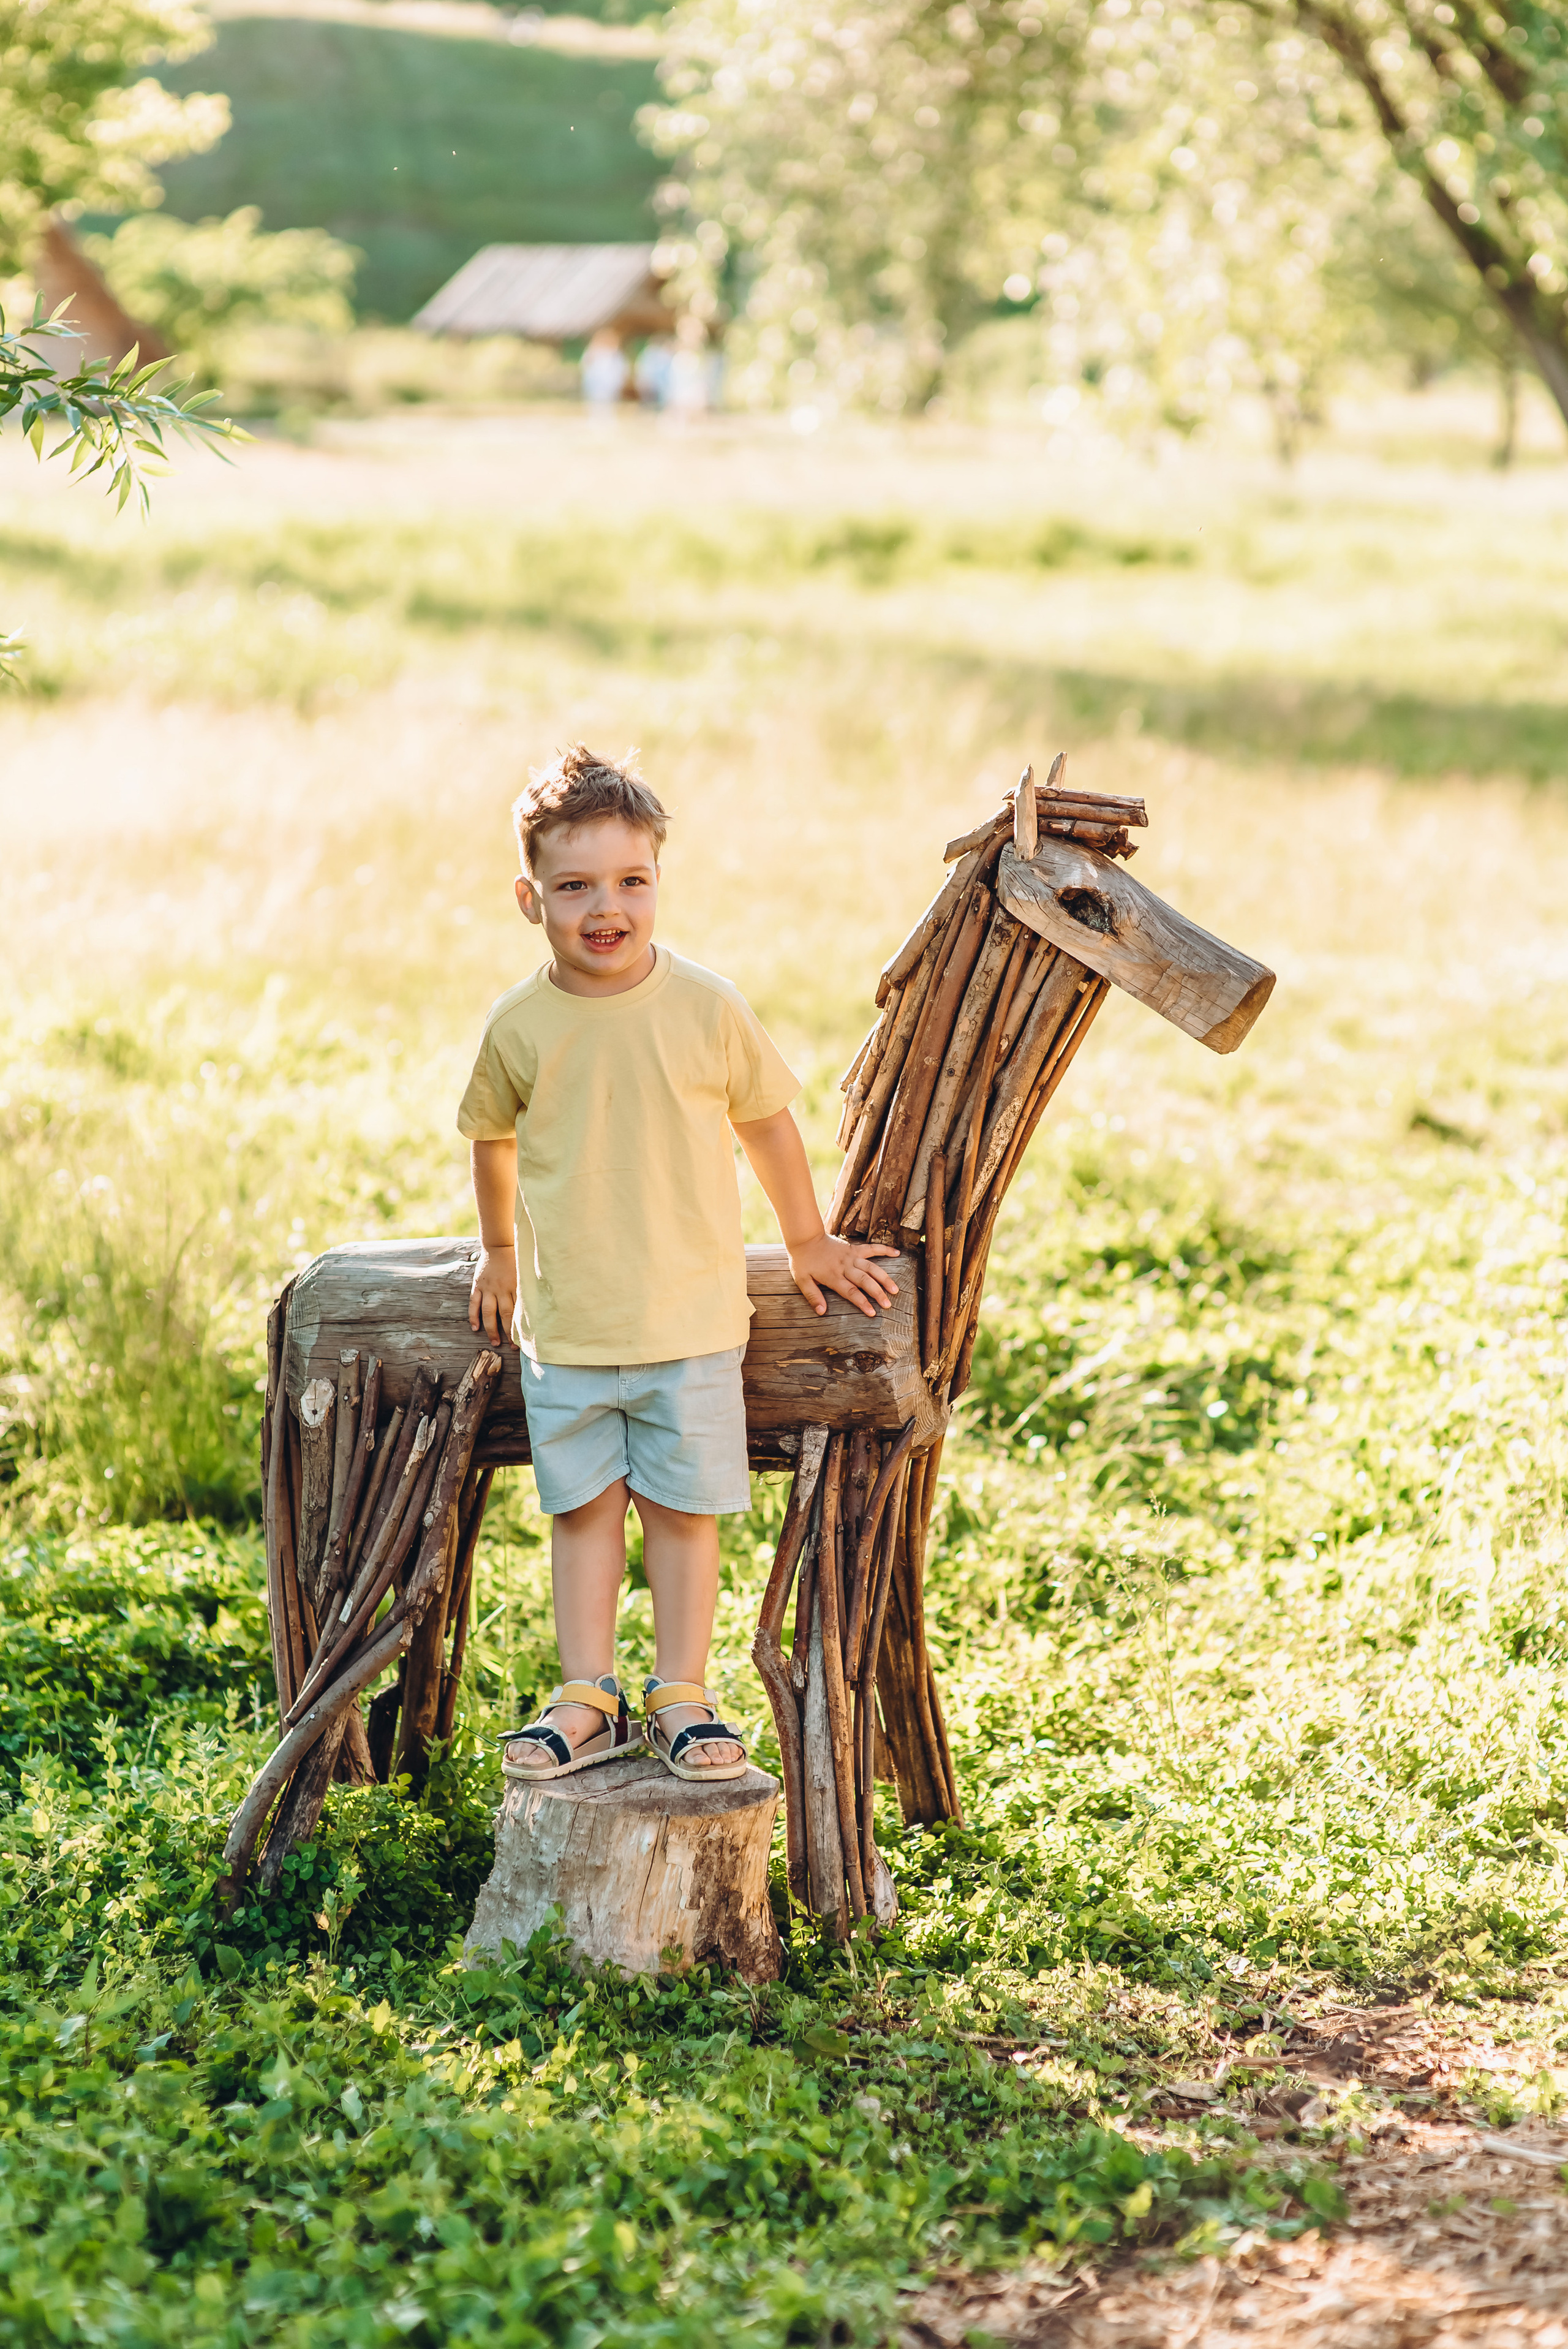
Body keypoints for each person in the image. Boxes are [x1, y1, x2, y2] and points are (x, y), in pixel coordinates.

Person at [460, 745, 898, 1782]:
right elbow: (491, 1139)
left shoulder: (705, 1005)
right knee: (583, 1508)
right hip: (569, 1323)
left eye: (629, 881)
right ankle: (587, 1695)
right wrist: (498, 1251)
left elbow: (769, 1124)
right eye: (574, 887)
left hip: (692, 1320)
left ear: (658, 880)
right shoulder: (520, 1025)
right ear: (531, 899)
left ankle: (681, 1693)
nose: (603, 907)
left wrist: (807, 1239)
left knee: (683, 1510)